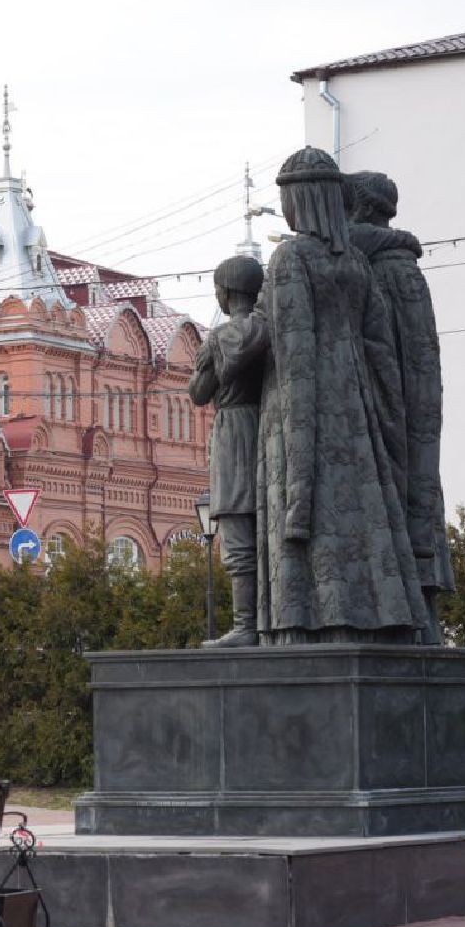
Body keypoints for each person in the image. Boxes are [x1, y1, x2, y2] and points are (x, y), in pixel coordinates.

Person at [254, 146, 427, 644]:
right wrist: (385, 424)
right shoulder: (354, 261)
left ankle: (302, 623)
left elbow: (294, 354)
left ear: (300, 200)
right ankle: (374, 616)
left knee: (317, 522)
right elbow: (383, 356)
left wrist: (298, 489)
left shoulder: (289, 259)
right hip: (358, 415)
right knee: (364, 514)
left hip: (298, 415)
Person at [346, 170, 455, 644]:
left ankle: (415, 619)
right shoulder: (395, 265)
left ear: (363, 209)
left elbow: (410, 354)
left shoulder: (384, 266)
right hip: (400, 409)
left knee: (404, 504)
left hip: (391, 410)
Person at [188, 253, 268, 647]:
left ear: (226, 292)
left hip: (234, 431)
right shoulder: (270, 326)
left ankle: (245, 626)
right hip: (267, 428)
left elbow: (198, 393)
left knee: (237, 534)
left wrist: (208, 359)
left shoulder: (220, 336)